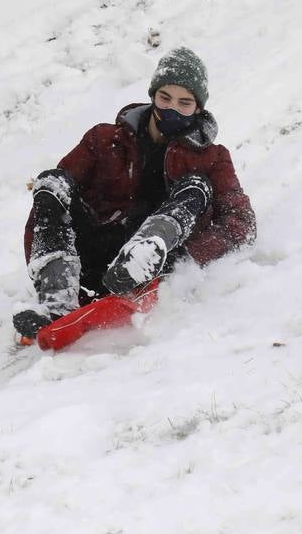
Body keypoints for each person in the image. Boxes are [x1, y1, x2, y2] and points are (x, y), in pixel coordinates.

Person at [14, 47, 257, 342]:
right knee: (52, 184)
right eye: (165, 97)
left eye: (184, 103)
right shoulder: (103, 140)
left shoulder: (212, 158)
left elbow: (242, 223)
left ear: (198, 108)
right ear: (153, 95)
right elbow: (47, 210)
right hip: (94, 250)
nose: (171, 108)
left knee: (196, 186)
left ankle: (144, 254)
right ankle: (57, 299)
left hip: (154, 261)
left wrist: (181, 259)